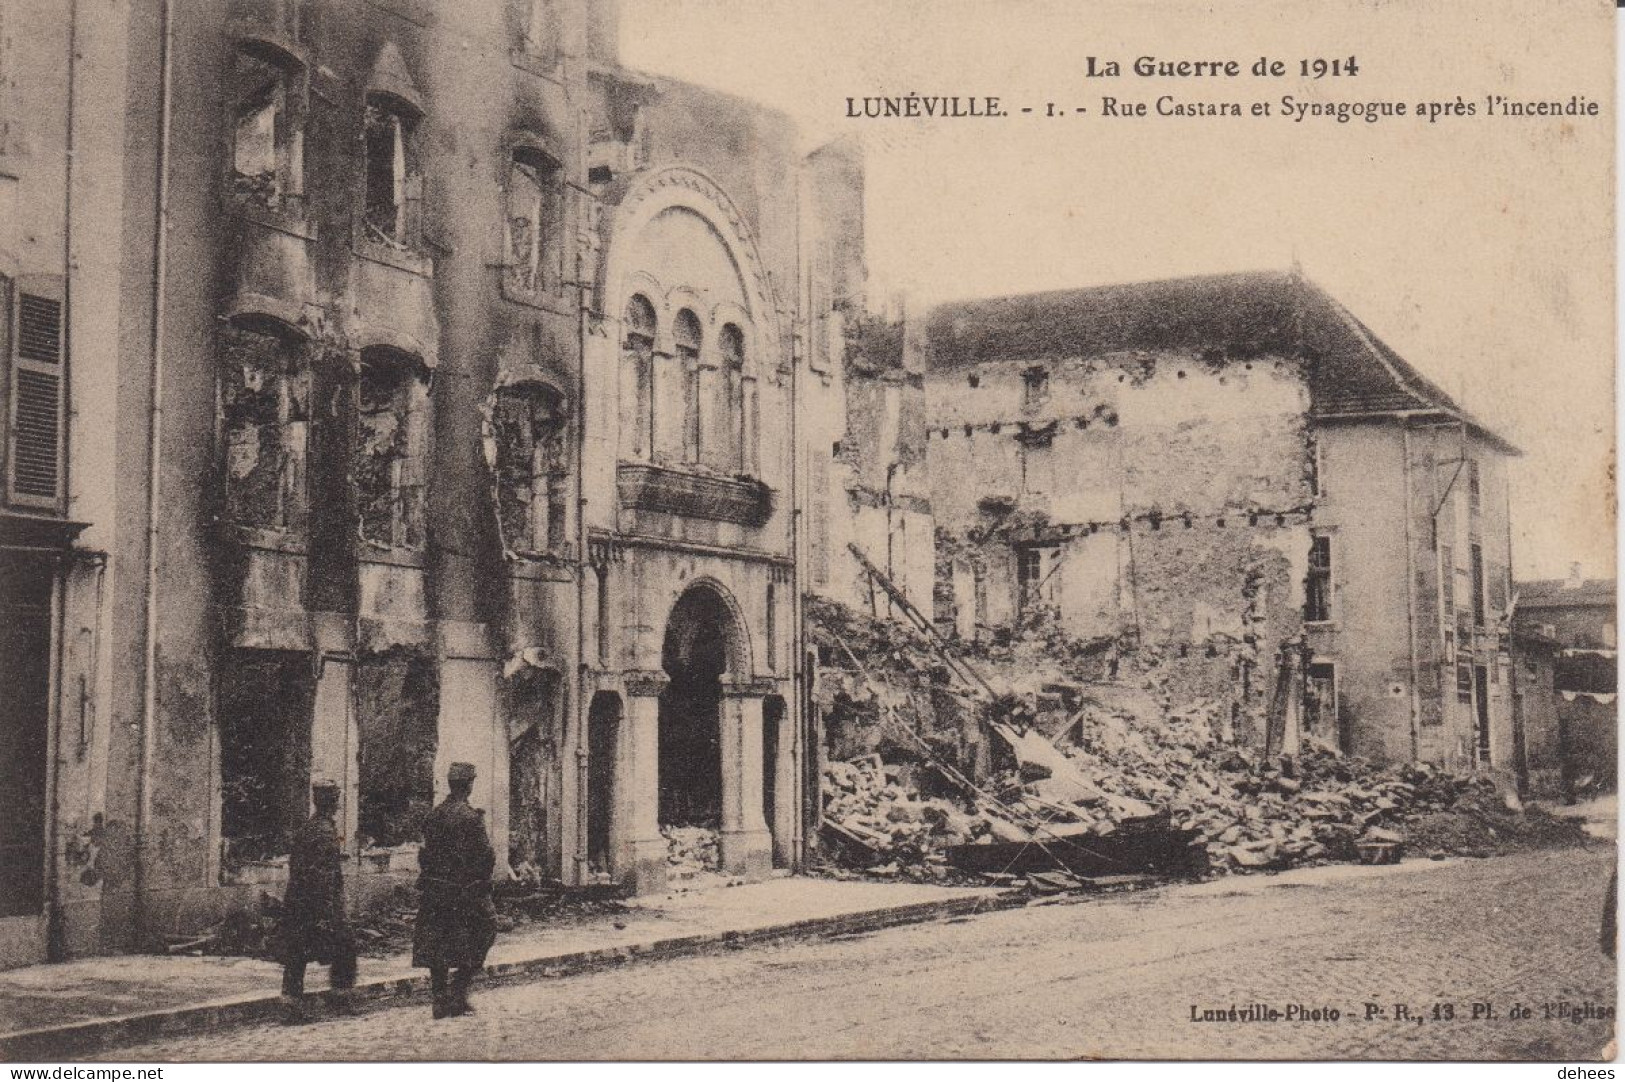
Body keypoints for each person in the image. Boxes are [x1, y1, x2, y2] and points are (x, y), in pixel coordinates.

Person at [413, 761, 498, 1019]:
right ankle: (458, 993)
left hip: (435, 891)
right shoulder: (472, 819)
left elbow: (425, 855)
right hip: (464, 892)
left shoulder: (434, 815)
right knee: (484, 930)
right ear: (469, 785)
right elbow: (485, 857)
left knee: (438, 941)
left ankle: (440, 999)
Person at [278, 778, 358, 1023]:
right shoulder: (324, 831)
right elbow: (323, 874)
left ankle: (291, 1004)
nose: (337, 803)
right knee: (345, 945)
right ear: (333, 802)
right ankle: (340, 997)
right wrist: (328, 911)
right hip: (317, 903)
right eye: (335, 798)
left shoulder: (309, 827)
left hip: (298, 900)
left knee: (297, 954)